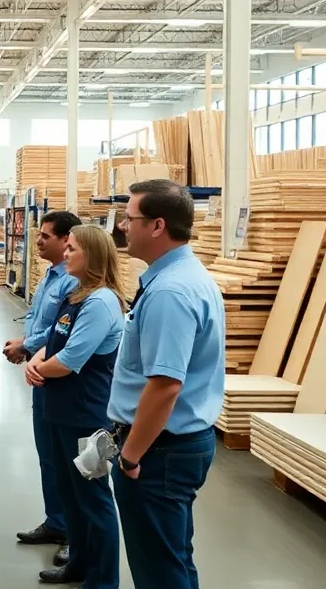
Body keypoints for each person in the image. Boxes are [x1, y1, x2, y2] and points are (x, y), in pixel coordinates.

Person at [110, 179, 225, 589]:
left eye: (130, 218)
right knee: (172, 559)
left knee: (159, 569)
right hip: (172, 446)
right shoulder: (184, 277)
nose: (122, 226)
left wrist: (130, 457)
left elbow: (165, 386)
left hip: (158, 452)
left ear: (158, 225)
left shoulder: (170, 292)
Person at [25, 225, 124, 589]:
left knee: (93, 498)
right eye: (65, 248)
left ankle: (103, 580)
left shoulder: (100, 302)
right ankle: (79, 565)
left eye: (72, 249)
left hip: (87, 418)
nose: (65, 254)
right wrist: (37, 358)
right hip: (61, 411)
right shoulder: (77, 295)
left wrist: (38, 369)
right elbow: (55, 341)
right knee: (71, 493)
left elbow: (70, 360)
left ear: (92, 255)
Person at [2, 210, 82, 567]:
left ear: (67, 240)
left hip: (63, 379)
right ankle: (57, 521)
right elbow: (42, 323)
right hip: (42, 374)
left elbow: (63, 333)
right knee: (48, 455)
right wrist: (26, 344)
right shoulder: (51, 275)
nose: (37, 241)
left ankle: (74, 533)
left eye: (45, 236)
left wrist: (27, 346)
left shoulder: (74, 283)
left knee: (68, 461)